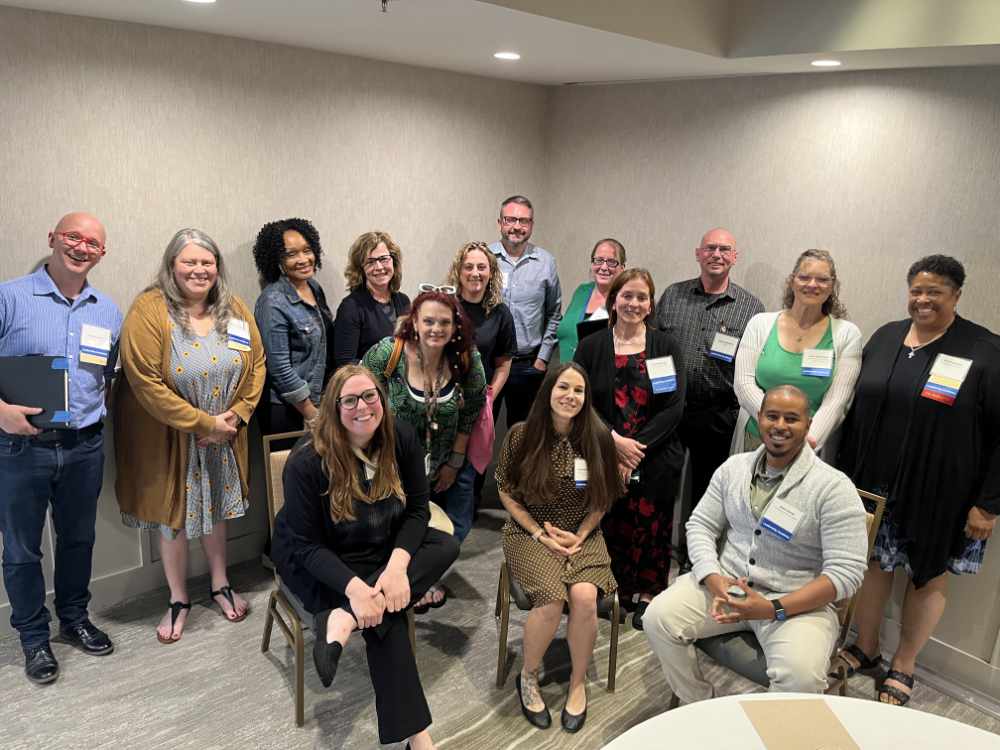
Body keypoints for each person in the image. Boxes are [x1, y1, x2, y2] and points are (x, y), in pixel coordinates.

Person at [835, 255, 1000, 707]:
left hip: (942, 492)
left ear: (956, 296)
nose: (923, 300)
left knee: (926, 575)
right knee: (871, 566)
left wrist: (988, 505)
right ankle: (866, 647)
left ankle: (904, 663)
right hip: (872, 486)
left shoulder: (984, 351)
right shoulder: (887, 337)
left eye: (935, 292)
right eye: (916, 291)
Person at [272, 365, 459, 749]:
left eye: (370, 395)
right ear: (333, 408)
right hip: (322, 557)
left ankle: (343, 618)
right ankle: (418, 738)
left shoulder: (400, 437)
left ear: (382, 398)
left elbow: (418, 511)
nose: (363, 407)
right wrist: (357, 589)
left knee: (445, 545)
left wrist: (396, 567)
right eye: (350, 400)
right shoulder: (306, 461)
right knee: (385, 613)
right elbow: (307, 547)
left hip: (377, 546)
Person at [644, 385, 869, 704]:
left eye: (791, 418)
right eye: (772, 416)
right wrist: (713, 578)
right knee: (657, 618)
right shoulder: (733, 469)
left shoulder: (833, 488)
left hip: (796, 605)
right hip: (727, 589)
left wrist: (772, 608)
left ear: (808, 424)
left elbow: (846, 574)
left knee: (800, 677)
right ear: (759, 418)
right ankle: (700, 704)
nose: (780, 426)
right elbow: (700, 525)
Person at [115, 228, 265, 644]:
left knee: (215, 509)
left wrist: (235, 416)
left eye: (207, 262)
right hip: (173, 440)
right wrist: (204, 424)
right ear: (172, 266)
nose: (199, 270)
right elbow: (144, 381)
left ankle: (220, 583)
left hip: (225, 434)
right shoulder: (149, 309)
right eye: (190, 262)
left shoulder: (232, 306)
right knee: (173, 519)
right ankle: (178, 598)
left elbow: (258, 363)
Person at [0, 212, 122, 684]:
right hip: (19, 448)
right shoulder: (10, 297)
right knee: (22, 550)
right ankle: (33, 638)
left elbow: (106, 375)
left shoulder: (106, 310)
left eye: (92, 241)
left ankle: (73, 619)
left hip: (85, 446)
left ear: (101, 253)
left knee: (78, 540)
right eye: (73, 236)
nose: (81, 246)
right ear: (52, 238)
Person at [495, 363, 620, 733]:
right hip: (528, 532)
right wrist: (537, 532)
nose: (570, 396)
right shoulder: (521, 435)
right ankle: (529, 676)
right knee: (550, 599)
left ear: (586, 397)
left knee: (584, 597)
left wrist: (580, 535)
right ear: (548, 391)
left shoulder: (597, 437)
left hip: (580, 535)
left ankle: (577, 683)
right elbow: (505, 488)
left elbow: (603, 498)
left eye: (578, 390)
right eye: (563, 387)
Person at [574, 269, 685, 630]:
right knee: (612, 518)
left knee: (653, 523)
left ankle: (650, 591)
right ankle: (614, 586)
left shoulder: (664, 346)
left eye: (642, 297)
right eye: (627, 296)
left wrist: (636, 449)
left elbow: (673, 406)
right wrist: (615, 443)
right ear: (614, 299)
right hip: (603, 450)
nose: (634, 303)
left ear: (650, 304)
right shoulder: (592, 345)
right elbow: (579, 399)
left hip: (654, 453)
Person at [362, 289, 486, 608]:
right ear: (413, 321)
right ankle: (396, 581)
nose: (436, 329)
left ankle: (421, 579)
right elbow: (359, 398)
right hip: (390, 467)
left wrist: (455, 462)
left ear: (456, 326)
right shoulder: (387, 354)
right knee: (396, 525)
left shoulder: (466, 358)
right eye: (428, 321)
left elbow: (471, 411)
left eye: (445, 322)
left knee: (434, 526)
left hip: (440, 466)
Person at [656, 228, 763, 569]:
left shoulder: (750, 308)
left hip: (717, 412)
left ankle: (694, 558)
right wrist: (657, 400)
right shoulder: (672, 296)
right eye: (710, 248)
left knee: (707, 490)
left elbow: (754, 364)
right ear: (698, 253)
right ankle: (655, 550)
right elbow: (655, 351)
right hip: (669, 408)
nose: (716, 254)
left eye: (724, 249)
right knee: (662, 480)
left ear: (735, 257)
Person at [732, 249, 861, 457]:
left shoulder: (847, 334)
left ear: (832, 286)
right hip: (756, 439)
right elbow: (743, 384)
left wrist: (806, 442)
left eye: (822, 279)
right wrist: (774, 427)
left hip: (809, 447)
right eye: (804, 277)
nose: (812, 284)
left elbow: (837, 400)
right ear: (792, 281)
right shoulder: (760, 324)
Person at [445, 241, 517, 503]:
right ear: (459, 271)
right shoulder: (445, 307)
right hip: (446, 400)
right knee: (445, 459)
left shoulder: (500, 314)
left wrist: (490, 395)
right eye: (469, 266)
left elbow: (504, 363)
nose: (475, 273)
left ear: (491, 272)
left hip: (482, 402)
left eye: (482, 267)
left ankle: (469, 512)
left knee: (474, 464)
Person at [252, 217, 334, 435]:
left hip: (316, 401)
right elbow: (278, 367)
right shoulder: (272, 301)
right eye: (291, 254)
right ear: (276, 260)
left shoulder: (314, 288)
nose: (303, 259)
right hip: (286, 410)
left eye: (307, 250)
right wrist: (310, 412)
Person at [489, 195, 562, 428]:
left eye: (524, 221)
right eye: (510, 219)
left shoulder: (546, 262)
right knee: (479, 433)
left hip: (527, 366)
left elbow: (554, 312)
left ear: (531, 225)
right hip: (489, 363)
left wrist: (542, 359)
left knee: (523, 436)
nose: (517, 227)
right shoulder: (484, 259)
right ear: (500, 222)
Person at [332, 231, 410, 371]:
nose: (379, 267)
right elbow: (345, 363)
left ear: (394, 261)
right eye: (371, 262)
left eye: (383, 259)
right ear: (360, 268)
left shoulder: (403, 301)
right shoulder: (351, 307)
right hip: (370, 387)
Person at [556, 238, 626, 362]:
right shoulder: (581, 291)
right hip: (567, 373)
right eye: (598, 260)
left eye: (611, 262)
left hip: (599, 377)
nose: (604, 267)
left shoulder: (625, 301)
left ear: (622, 268)